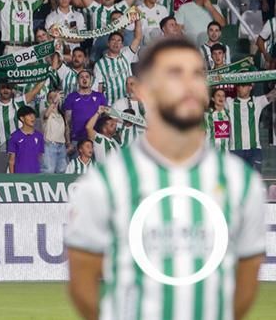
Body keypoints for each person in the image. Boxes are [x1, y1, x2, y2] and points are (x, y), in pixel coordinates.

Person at [66, 37, 266, 320]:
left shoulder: (241, 183)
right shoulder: (105, 182)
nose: (187, 85)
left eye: (197, 74)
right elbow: (83, 279)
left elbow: (246, 280)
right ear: (141, 89)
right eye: (173, 74)